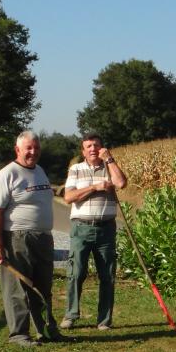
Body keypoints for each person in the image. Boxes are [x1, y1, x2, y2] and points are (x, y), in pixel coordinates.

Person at [0, 130, 63, 347]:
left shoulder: (39, 170)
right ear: (18, 149)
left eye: (36, 147)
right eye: (28, 148)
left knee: (42, 286)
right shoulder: (7, 174)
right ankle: (19, 334)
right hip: (17, 239)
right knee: (17, 288)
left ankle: (45, 331)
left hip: (43, 238)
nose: (33, 152)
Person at [62, 134, 127, 330]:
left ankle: (104, 320)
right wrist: (95, 187)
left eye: (96, 145)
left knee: (107, 275)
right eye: (88, 146)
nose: (92, 149)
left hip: (106, 228)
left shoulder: (109, 167)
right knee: (76, 273)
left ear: (102, 148)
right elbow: (69, 197)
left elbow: (121, 183)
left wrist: (110, 159)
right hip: (81, 227)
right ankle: (71, 315)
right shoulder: (76, 169)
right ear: (83, 151)